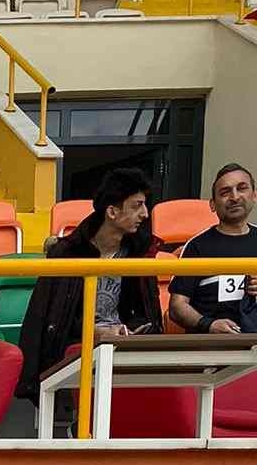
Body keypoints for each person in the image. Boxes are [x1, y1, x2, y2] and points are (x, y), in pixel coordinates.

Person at [17, 167, 161, 410]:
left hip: (126, 341)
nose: (145, 214)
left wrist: (129, 331)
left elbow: (147, 313)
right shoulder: (68, 253)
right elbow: (53, 321)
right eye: (137, 206)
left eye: (145, 205)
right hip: (79, 342)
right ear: (112, 212)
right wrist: (94, 333)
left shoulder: (140, 252)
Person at [169, 162, 256, 334]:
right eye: (225, 192)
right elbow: (177, 306)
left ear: (254, 195)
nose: (234, 197)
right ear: (212, 204)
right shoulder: (196, 246)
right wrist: (208, 325)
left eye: (242, 188)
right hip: (210, 345)